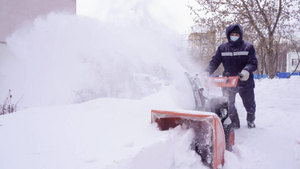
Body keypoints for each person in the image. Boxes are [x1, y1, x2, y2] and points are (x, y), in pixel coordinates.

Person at [204, 23, 258, 129]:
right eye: (232, 34)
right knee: (229, 103)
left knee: (249, 103)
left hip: (245, 80)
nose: (235, 36)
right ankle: (234, 123)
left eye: (237, 34)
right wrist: (207, 71)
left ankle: (250, 120)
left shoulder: (248, 47)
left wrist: (246, 71)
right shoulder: (222, 48)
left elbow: (253, 62)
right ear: (228, 35)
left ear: (241, 35)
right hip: (228, 81)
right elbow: (214, 62)